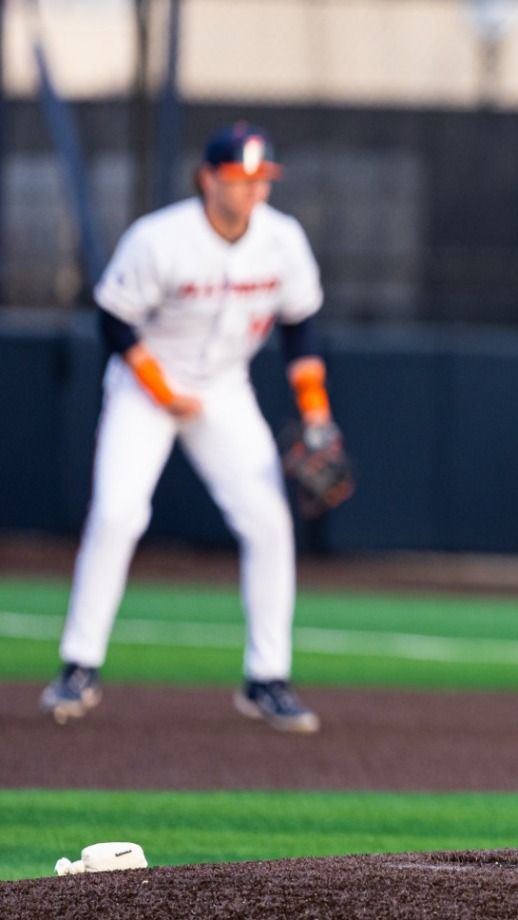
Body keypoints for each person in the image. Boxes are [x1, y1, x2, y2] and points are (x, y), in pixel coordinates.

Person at [40, 122, 336, 734]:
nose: (254, 190)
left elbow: (299, 326)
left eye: (262, 179)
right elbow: (116, 320)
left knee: (269, 521)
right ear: (209, 178)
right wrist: (159, 387)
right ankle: (79, 664)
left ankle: (267, 678)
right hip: (146, 390)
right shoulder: (161, 239)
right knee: (119, 513)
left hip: (225, 389)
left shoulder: (282, 240)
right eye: (241, 178)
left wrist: (315, 409)